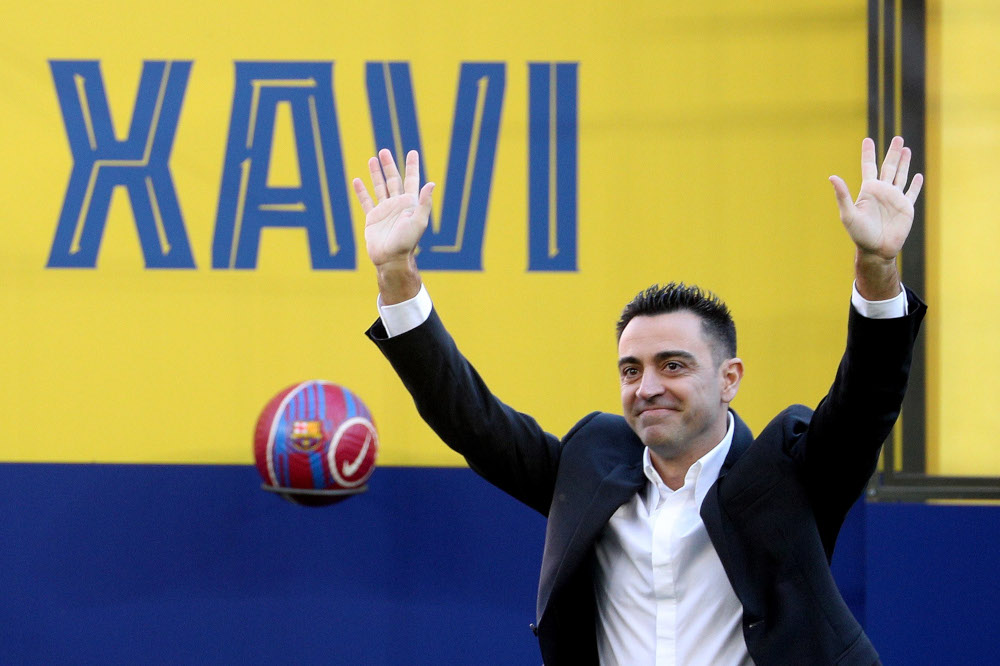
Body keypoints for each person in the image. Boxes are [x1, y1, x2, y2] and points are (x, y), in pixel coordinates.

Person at [353, 137, 925, 665]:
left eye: (672, 365)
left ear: (730, 378)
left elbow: (866, 399)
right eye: (632, 369)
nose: (647, 386)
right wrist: (397, 275)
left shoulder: (789, 476)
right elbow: (470, 418)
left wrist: (876, 268)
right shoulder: (588, 469)